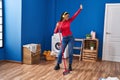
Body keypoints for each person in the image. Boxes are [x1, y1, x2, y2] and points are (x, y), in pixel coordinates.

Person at [54, 4, 83, 71]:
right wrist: (56, 26)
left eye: (68, 16)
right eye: (67, 16)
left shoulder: (69, 21)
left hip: (70, 38)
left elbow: (75, 15)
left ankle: (70, 65)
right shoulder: (59, 23)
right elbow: (55, 32)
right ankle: (58, 65)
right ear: (63, 16)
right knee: (61, 52)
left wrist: (80, 9)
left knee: (70, 52)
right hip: (64, 39)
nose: (68, 17)